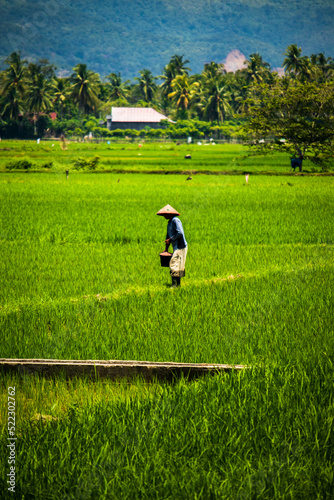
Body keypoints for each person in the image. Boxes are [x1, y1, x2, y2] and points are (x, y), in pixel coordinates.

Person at [157, 204, 188, 287]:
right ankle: (178, 285)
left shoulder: (175, 220)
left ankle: (175, 285)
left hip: (180, 246)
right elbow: (168, 237)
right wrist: (166, 249)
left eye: (165, 214)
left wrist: (171, 239)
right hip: (176, 247)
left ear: (169, 214)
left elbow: (180, 233)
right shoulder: (169, 223)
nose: (164, 216)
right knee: (177, 264)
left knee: (173, 263)